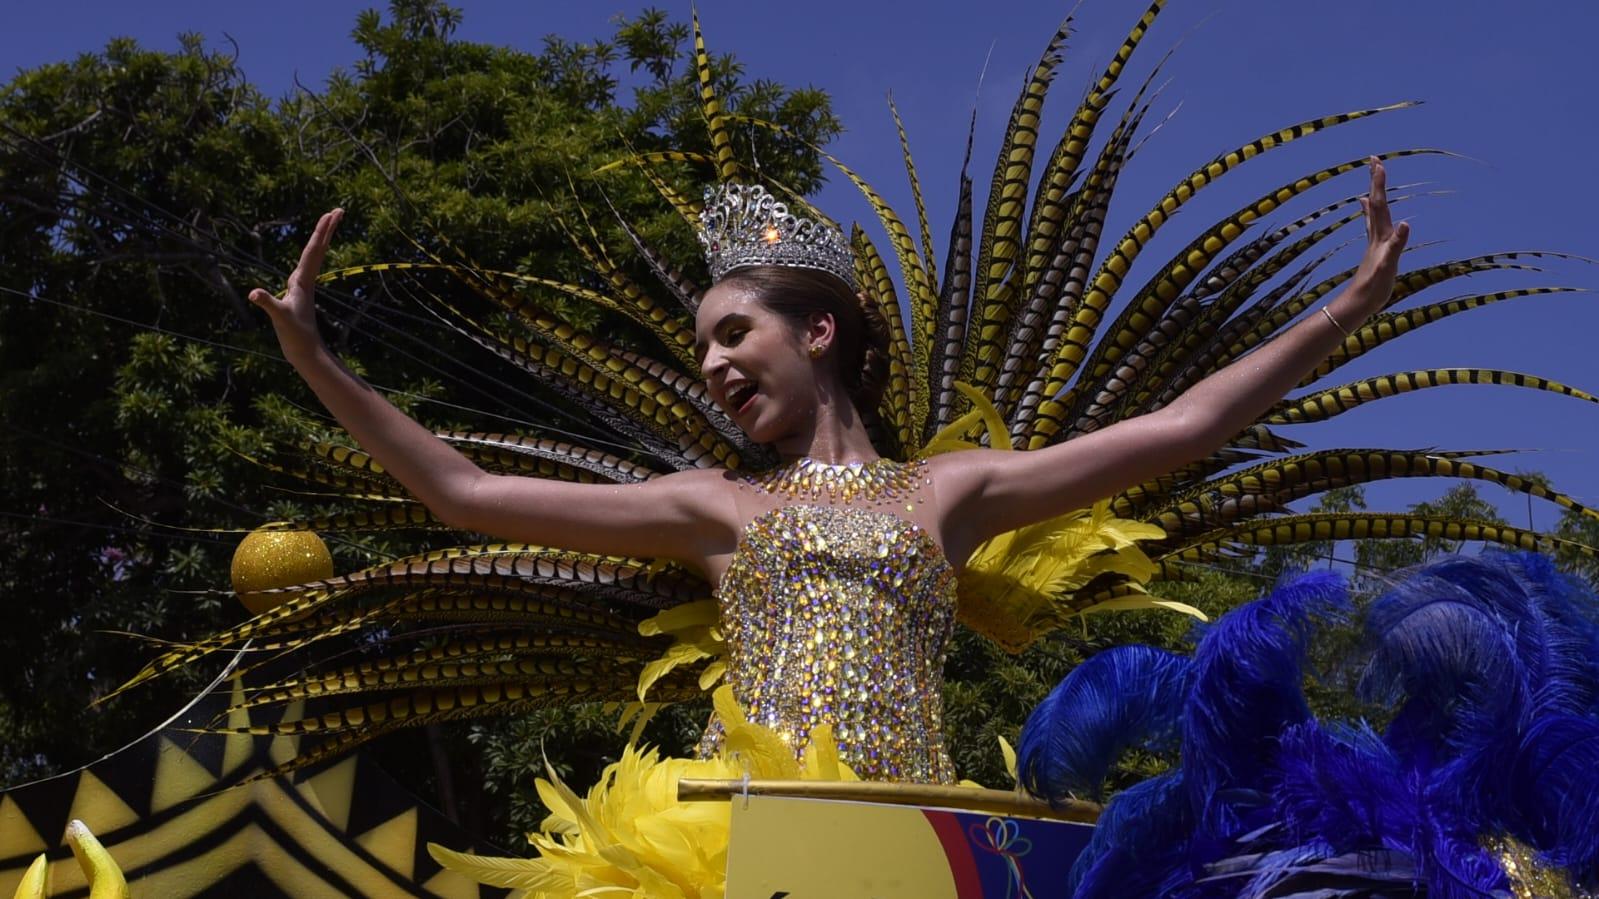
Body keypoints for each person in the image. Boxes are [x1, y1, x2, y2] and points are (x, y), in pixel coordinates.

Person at [244, 161, 1409, 785]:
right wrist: (316, 356)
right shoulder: (717, 507)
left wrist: (1346, 307)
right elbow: (467, 495)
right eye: (701, 347)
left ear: (816, 334)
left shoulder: (947, 493)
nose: (710, 363)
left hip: (908, 822)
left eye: (731, 334)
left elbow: (1181, 425)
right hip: (748, 827)